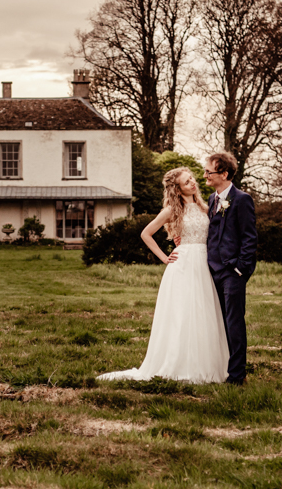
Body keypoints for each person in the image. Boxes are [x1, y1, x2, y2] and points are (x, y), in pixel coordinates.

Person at [98, 167, 229, 384]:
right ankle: (179, 364)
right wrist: (164, 257)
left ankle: (208, 365)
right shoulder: (171, 210)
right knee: (182, 315)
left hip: (204, 264)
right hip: (183, 264)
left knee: (204, 312)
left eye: (192, 179)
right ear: (177, 189)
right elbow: (146, 233)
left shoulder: (205, 206)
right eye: (187, 183)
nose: (193, 184)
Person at [202, 153, 257, 385]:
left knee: (234, 322)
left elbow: (249, 238)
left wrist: (240, 269)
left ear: (224, 174)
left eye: (209, 172)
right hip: (210, 271)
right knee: (217, 322)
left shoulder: (242, 199)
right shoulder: (211, 200)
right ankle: (219, 367)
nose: (204, 175)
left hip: (231, 272)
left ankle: (237, 375)